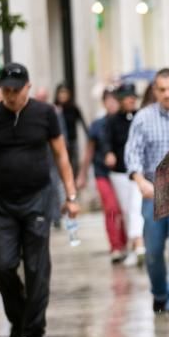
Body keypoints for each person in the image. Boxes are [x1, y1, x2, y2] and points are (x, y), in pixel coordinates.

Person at [0, 62, 80, 337]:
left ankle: (34, 332)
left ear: (28, 88)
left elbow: (61, 155)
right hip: (3, 204)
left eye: (16, 90)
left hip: (38, 199)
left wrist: (71, 196)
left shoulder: (45, 114)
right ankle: (19, 317)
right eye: (5, 89)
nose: (10, 95)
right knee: (1, 266)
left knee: (36, 267)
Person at [124, 68, 169, 322]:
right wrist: (139, 180)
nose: (167, 94)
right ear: (155, 91)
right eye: (162, 89)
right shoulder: (143, 118)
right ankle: (159, 293)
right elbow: (132, 153)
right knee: (154, 251)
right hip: (153, 193)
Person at [77, 88, 127, 262]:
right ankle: (115, 246)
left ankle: (125, 242)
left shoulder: (126, 120)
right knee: (111, 209)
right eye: (108, 100)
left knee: (124, 210)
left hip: (123, 173)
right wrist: (82, 175)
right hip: (103, 174)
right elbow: (89, 150)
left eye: (115, 99)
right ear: (104, 102)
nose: (112, 103)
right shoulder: (98, 124)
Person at [102, 82, 145, 267]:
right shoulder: (111, 121)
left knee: (136, 207)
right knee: (127, 210)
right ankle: (133, 246)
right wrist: (108, 153)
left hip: (137, 171)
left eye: (133, 97)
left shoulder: (141, 117)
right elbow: (106, 143)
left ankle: (139, 244)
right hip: (119, 172)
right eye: (127, 97)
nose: (131, 100)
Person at [54, 83, 86, 176]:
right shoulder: (54, 109)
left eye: (65, 92)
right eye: (61, 92)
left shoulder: (73, 108)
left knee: (73, 164)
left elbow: (83, 124)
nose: (63, 95)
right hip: (59, 142)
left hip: (72, 141)